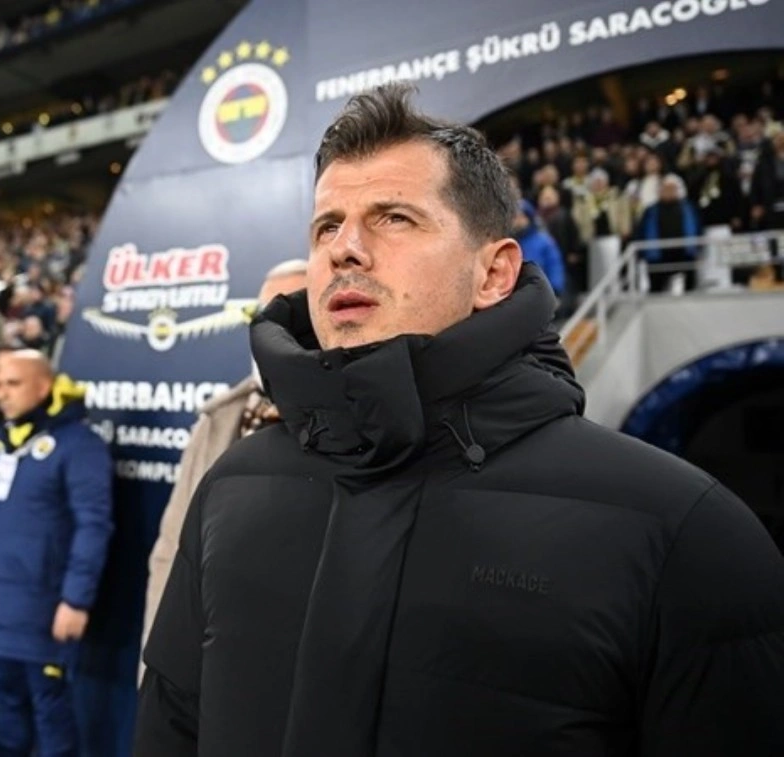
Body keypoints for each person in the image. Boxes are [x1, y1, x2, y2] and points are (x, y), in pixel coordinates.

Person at [135, 83, 784, 756]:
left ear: (494, 273)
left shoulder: (684, 533)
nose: (344, 249)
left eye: (394, 218)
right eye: (327, 225)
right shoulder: (231, 485)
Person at [140, 259, 306, 670]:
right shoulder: (217, 419)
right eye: (262, 315)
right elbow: (171, 550)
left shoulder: (350, 423)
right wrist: (154, 668)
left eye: (291, 311)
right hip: (197, 658)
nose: (271, 328)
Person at [0, 349, 113, 757]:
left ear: (44, 385)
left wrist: (75, 600)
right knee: (7, 715)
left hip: (44, 613)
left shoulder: (80, 446)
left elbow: (94, 526)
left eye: (13, 383)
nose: (2, 393)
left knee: (52, 720)